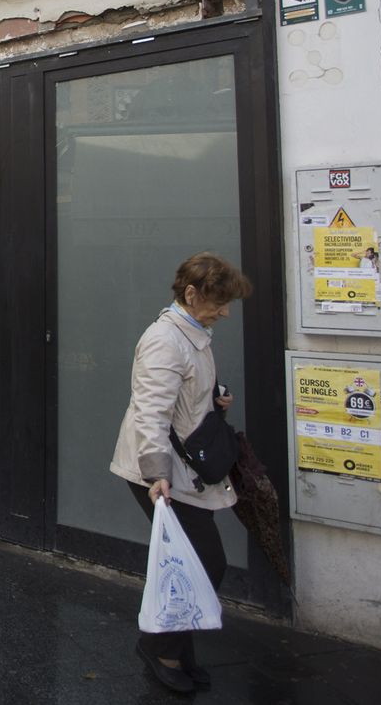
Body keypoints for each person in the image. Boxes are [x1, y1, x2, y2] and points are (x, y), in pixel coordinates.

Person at [110, 251, 252, 694]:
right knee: (202, 561)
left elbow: (184, 394)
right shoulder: (165, 340)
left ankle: (176, 648)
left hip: (182, 470)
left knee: (189, 561)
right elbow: (150, 413)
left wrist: (215, 397)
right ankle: (159, 647)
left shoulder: (193, 333)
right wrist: (157, 476)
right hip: (160, 472)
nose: (225, 311)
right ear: (190, 294)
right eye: (218, 301)